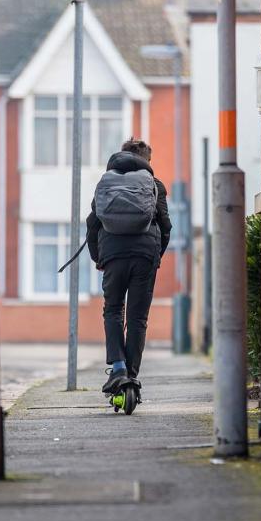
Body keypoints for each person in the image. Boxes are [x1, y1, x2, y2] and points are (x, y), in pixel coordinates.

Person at [86, 138, 172, 395]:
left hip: (112, 254)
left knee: (113, 310)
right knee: (137, 317)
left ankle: (119, 368)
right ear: (147, 160)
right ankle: (131, 377)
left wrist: (98, 258)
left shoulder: (106, 182)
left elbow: (92, 223)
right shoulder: (154, 185)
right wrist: (155, 256)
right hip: (144, 256)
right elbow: (165, 226)